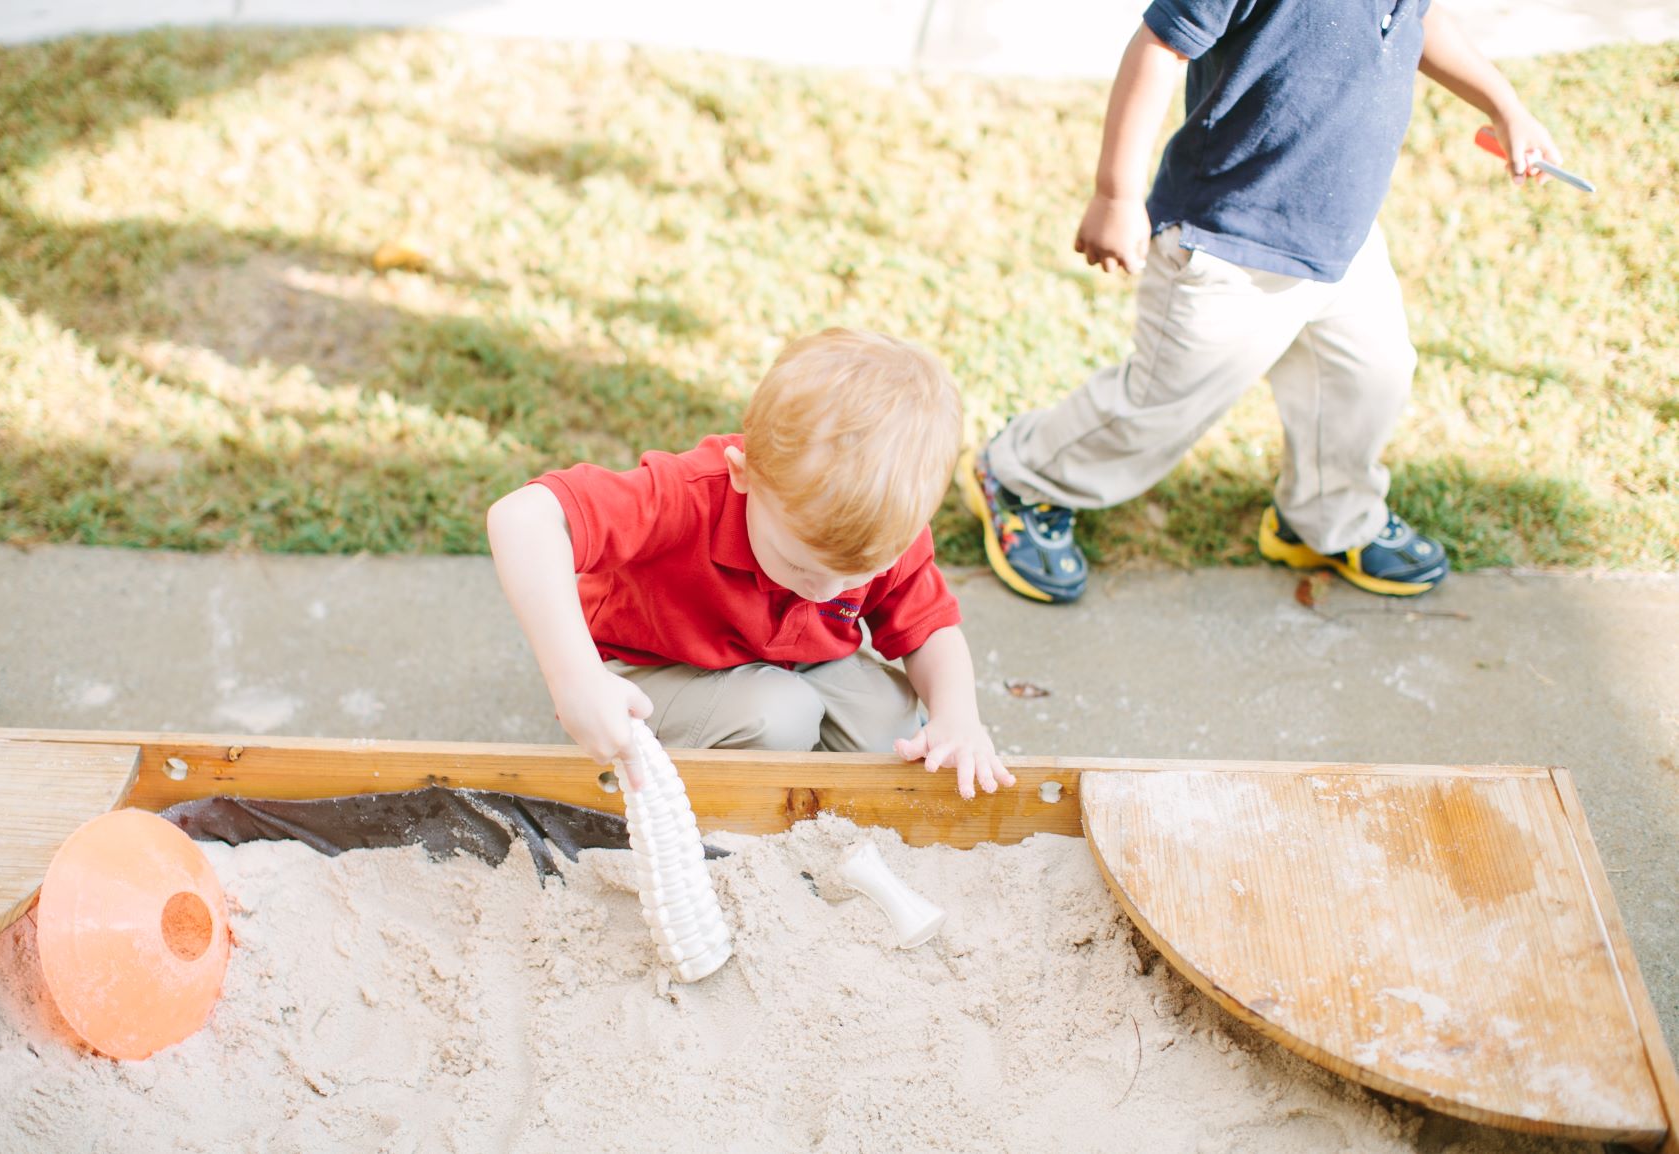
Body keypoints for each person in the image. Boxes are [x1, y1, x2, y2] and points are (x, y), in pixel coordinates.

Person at [960, 1, 1563, 602]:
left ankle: (1326, 517)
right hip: (1228, 238)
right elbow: (1160, 46)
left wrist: (1503, 104)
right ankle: (1019, 475)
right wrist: (1116, 196)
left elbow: (1418, 19)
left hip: (1341, 239)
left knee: (1365, 381)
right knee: (1158, 405)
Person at [488, 328, 1013, 799]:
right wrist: (576, 680)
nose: (825, 593)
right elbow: (522, 518)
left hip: (794, 659)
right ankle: (723, 803)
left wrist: (958, 717)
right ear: (744, 475)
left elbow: (929, 629)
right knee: (780, 716)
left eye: (857, 577)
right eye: (800, 565)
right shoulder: (686, 497)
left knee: (886, 717)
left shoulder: (879, 527)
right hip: (651, 666)